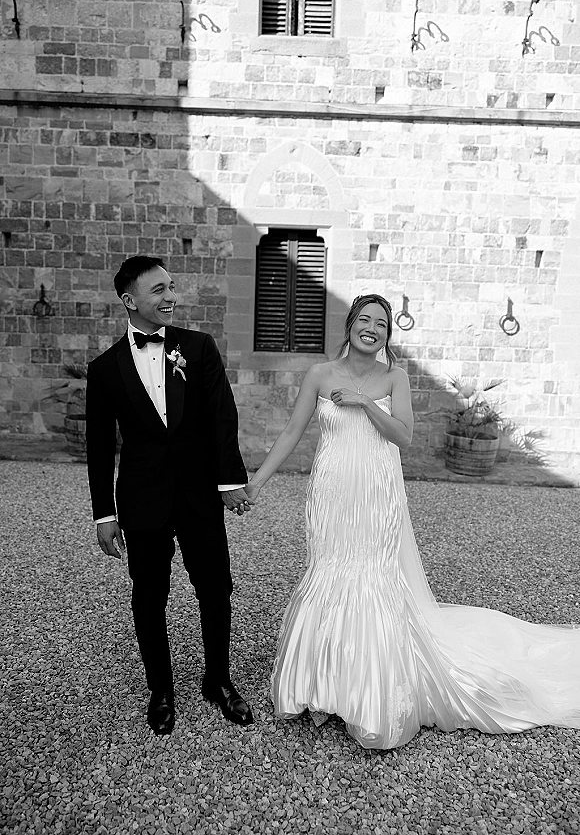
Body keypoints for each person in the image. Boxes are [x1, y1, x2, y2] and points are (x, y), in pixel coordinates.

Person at [245, 293, 580, 749]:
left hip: (378, 497)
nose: (372, 327)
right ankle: (320, 685)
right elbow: (291, 432)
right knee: (329, 574)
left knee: (372, 579)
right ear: (349, 326)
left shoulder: (395, 377)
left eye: (381, 323)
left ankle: (368, 694)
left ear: (387, 333)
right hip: (331, 493)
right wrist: (257, 483)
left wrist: (365, 402)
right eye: (364, 319)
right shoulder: (320, 375)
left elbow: (403, 436)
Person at [86, 256, 254, 736]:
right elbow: (99, 448)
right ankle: (161, 689)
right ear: (130, 300)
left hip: (200, 495)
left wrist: (227, 483)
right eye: (158, 289)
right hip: (141, 501)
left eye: (172, 287)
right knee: (148, 597)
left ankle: (218, 681)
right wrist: (104, 513)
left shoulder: (198, 349)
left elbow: (223, 417)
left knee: (215, 589)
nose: (169, 297)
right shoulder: (104, 370)